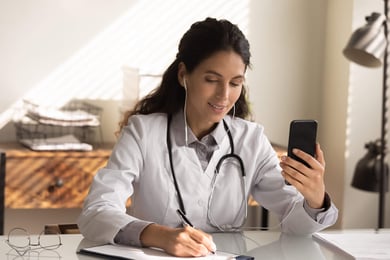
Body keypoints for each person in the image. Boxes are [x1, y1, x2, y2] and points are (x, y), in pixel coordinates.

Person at [77, 17, 338, 257]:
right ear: (183, 75)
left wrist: (315, 200)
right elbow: (96, 213)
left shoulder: (251, 140)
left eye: (235, 83)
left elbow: (297, 227)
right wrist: (161, 236)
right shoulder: (143, 132)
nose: (224, 96)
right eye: (212, 80)